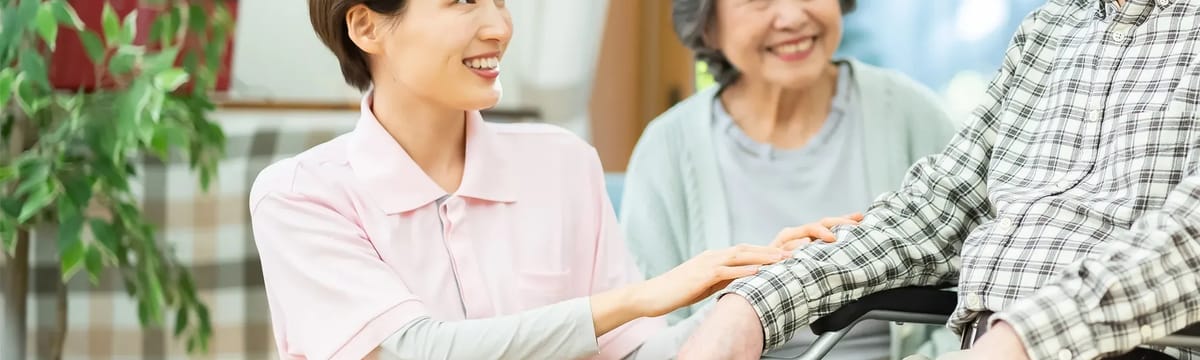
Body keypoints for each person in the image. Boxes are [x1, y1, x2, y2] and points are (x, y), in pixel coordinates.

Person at [248, 1, 814, 359]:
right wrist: (636, 299)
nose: (498, 26)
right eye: (464, 1)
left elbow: (630, 353)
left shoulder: (563, 164)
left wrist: (754, 287)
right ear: (367, 25)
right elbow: (417, 350)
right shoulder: (302, 196)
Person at [677, 0, 1200, 359]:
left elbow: (1189, 244)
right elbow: (935, 210)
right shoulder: (1051, 31)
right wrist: (751, 306)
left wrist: (1021, 339)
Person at [619, 0, 957, 358]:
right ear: (707, 25)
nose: (793, 17)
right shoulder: (667, 149)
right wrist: (748, 300)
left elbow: (980, 298)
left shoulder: (914, 116)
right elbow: (644, 347)